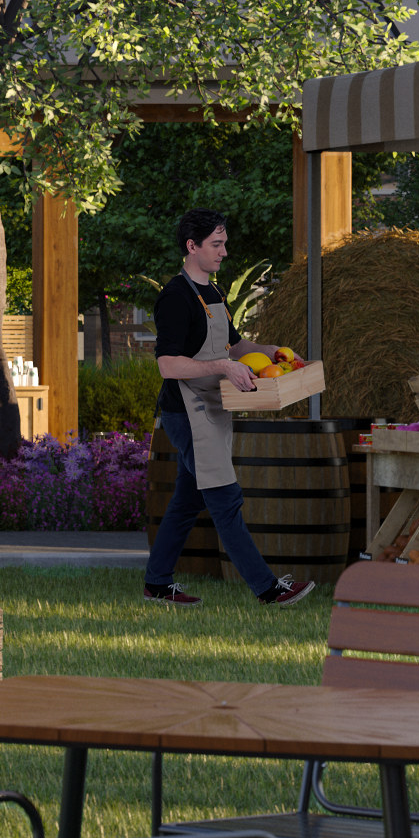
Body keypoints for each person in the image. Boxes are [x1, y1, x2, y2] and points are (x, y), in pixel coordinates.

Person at [143, 208, 309, 607]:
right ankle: (268, 589)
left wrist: (270, 350)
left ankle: (157, 583)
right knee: (225, 497)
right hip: (188, 413)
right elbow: (168, 365)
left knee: (189, 499)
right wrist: (222, 366)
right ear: (192, 246)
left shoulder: (214, 293)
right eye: (216, 244)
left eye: (224, 243)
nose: (224, 252)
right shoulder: (175, 297)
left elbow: (234, 346)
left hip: (214, 408)